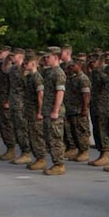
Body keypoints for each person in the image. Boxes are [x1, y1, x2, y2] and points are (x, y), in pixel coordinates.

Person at [40, 47, 69, 176]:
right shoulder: (49, 72)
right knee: (49, 137)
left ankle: (59, 164)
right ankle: (55, 162)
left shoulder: (58, 73)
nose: (46, 59)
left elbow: (60, 92)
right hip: (47, 109)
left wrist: (55, 110)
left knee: (55, 138)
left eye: (48, 57)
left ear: (56, 58)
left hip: (54, 111)